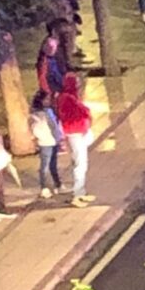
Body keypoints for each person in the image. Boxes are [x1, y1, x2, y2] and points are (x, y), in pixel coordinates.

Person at [57, 73, 96, 207]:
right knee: (80, 164)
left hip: (78, 132)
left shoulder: (71, 97)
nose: (79, 85)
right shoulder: (67, 98)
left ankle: (81, 191)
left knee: (81, 163)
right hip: (75, 133)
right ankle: (77, 194)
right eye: (77, 82)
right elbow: (74, 114)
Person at [29, 91, 63, 198]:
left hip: (51, 141)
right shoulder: (38, 115)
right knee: (45, 166)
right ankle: (44, 187)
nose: (48, 101)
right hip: (46, 142)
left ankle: (57, 184)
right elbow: (51, 127)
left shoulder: (47, 111)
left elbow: (54, 126)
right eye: (46, 99)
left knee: (53, 164)